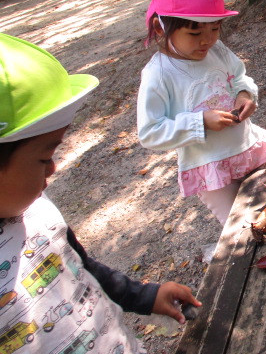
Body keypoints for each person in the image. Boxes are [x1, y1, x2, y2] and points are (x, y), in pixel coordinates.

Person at [0, 33, 200, 353]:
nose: (52, 169)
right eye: (42, 158)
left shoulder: (36, 207)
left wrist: (144, 295)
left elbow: (79, 266)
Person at [138, 0, 266, 225]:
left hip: (249, 148)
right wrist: (201, 122)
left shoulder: (217, 50)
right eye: (195, 32)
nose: (207, 40)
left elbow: (240, 77)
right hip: (211, 170)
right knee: (241, 228)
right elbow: (150, 132)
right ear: (160, 27)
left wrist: (245, 95)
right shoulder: (159, 74)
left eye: (215, 28)